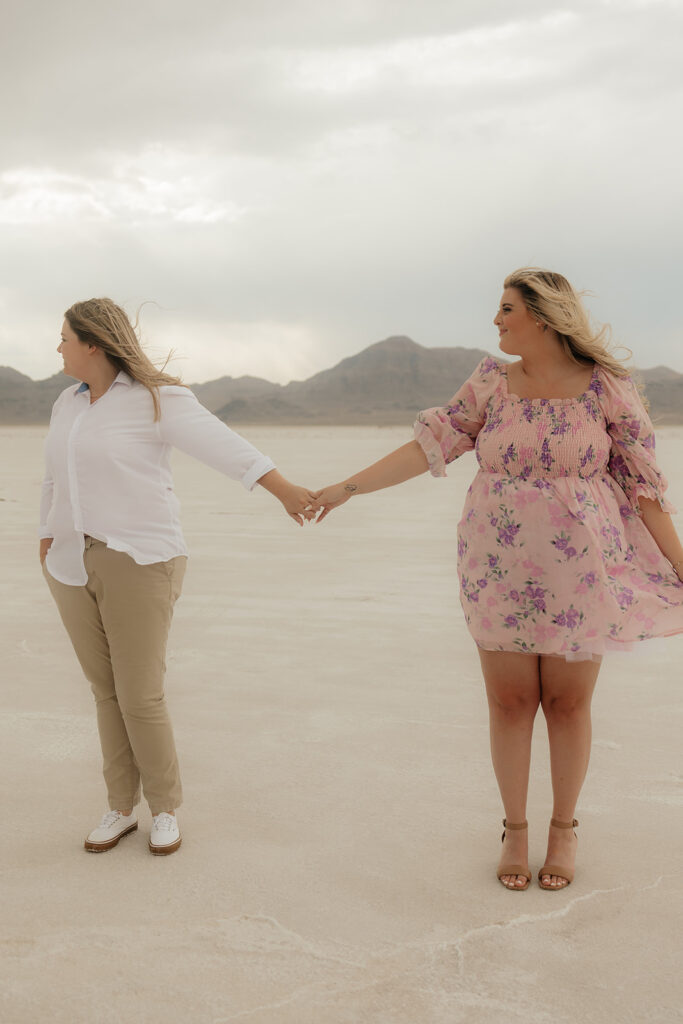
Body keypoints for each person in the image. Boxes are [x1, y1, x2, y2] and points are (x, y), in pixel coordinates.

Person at [313, 267, 683, 891]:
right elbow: (427, 448)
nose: (496, 320)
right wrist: (348, 487)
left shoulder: (606, 389)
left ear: (542, 316)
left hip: (578, 570)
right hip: (497, 564)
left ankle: (563, 829)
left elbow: (645, 488)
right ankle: (516, 828)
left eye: (507, 308)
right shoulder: (491, 382)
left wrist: (680, 562)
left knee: (567, 704)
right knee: (510, 702)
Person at [40, 298, 319, 856]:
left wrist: (284, 489)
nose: (58, 346)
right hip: (71, 562)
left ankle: (164, 808)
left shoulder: (155, 400)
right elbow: (53, 476)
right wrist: (46, 537)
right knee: (105, 693)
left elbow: (226, 447)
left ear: (93, 342)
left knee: (139, 695)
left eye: (65, 337)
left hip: (140, 559)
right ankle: (120, 807)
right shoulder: (66, 406)